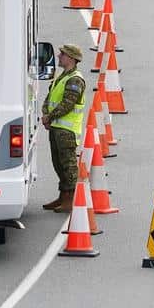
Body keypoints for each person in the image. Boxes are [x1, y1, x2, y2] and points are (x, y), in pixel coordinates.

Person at [41, 44, 86, 213]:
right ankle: (63, 196)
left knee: (68, 165)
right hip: (56, 127)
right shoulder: (62, 77)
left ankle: (71, 199)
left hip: (66, 131)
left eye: (63, 54)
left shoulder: (75, 80)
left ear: (72, 58)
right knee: (58, 163)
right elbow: (49, 98)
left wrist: (49, 117)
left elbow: (68, 104)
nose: (59, 56)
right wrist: (46, 114)